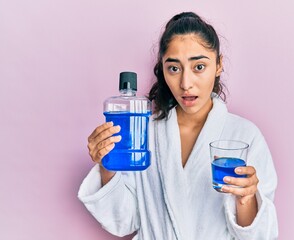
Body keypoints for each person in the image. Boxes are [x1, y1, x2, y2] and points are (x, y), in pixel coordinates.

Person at [78, 12, 278, 240]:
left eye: (199, 67)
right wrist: (107, 165)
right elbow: (124, 221)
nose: (185, 83)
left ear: (219, 65)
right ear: (162, 69)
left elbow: (259, 236)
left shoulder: (245, 136)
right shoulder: (145, 132)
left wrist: (246, 198)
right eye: (174, 68)